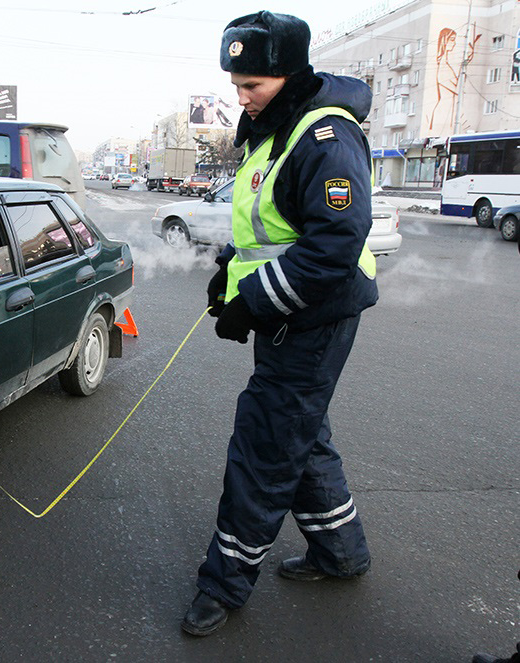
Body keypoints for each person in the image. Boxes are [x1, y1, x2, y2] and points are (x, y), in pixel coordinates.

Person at [182, 10, 378, 636]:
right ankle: (341, 553)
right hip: (290, 313)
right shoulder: (276, 130)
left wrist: (252, 303)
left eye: (253, 86)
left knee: (266, 442)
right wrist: (229, 272)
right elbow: (272, 231)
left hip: (313, 316)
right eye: (236, 85)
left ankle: (224, 583)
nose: (241, 98)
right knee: (301, 433)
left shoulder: (324, 135)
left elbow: (331, 248)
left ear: (291, 74)